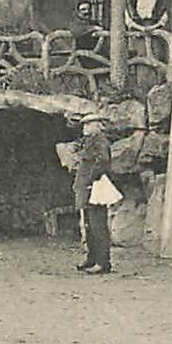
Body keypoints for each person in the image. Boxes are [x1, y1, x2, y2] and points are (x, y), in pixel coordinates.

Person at [73, 112, 113, 274]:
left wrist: (91, 181)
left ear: (98, 125)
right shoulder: (89, 141)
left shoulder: (100, 140)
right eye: (84, 124)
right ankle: (92, 258)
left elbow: (102, 162)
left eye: (88, 124)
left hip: (94, 187)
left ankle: (103, 262)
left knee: (98, 225)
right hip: (86, 187)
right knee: (88, 225)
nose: (85, 127)